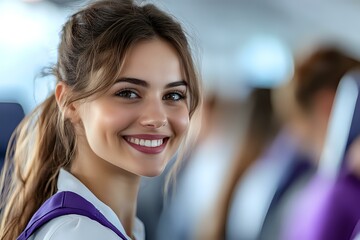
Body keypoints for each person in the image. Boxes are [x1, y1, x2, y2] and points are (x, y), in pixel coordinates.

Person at [0, 0, 202, 239]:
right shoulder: (83, 233)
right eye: (127, 93)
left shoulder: (92, 226)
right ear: (70, 103)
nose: (157, 118)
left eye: (173, 95)